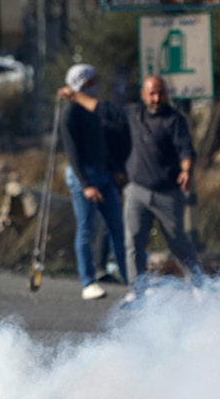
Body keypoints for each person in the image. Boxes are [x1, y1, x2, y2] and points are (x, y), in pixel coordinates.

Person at [60, 75, 202, 299]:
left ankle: (198, 284)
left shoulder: (174, 120)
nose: (156, 98)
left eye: (161, 93)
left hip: (167, 192)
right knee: (133, 242)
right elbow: (100, 108)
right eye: (152, 93)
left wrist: (186, 170)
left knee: (178, 243)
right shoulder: (133, 114)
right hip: (137, 190)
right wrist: (76, 96)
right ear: (144, 95)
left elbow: (186, 150)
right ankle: (137, 289)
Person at [59, 64, 128, 300]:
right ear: (84, 83)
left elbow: (102, 145)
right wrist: (86, 184)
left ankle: (132, 278)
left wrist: (114, 169)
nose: (98, 84)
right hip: (84, 176)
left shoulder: (93, 110)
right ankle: (88, 282)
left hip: (104, 173)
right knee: (86, 229)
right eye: (93, 80)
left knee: (117, 227)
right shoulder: (70, 113)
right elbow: (73, 153)